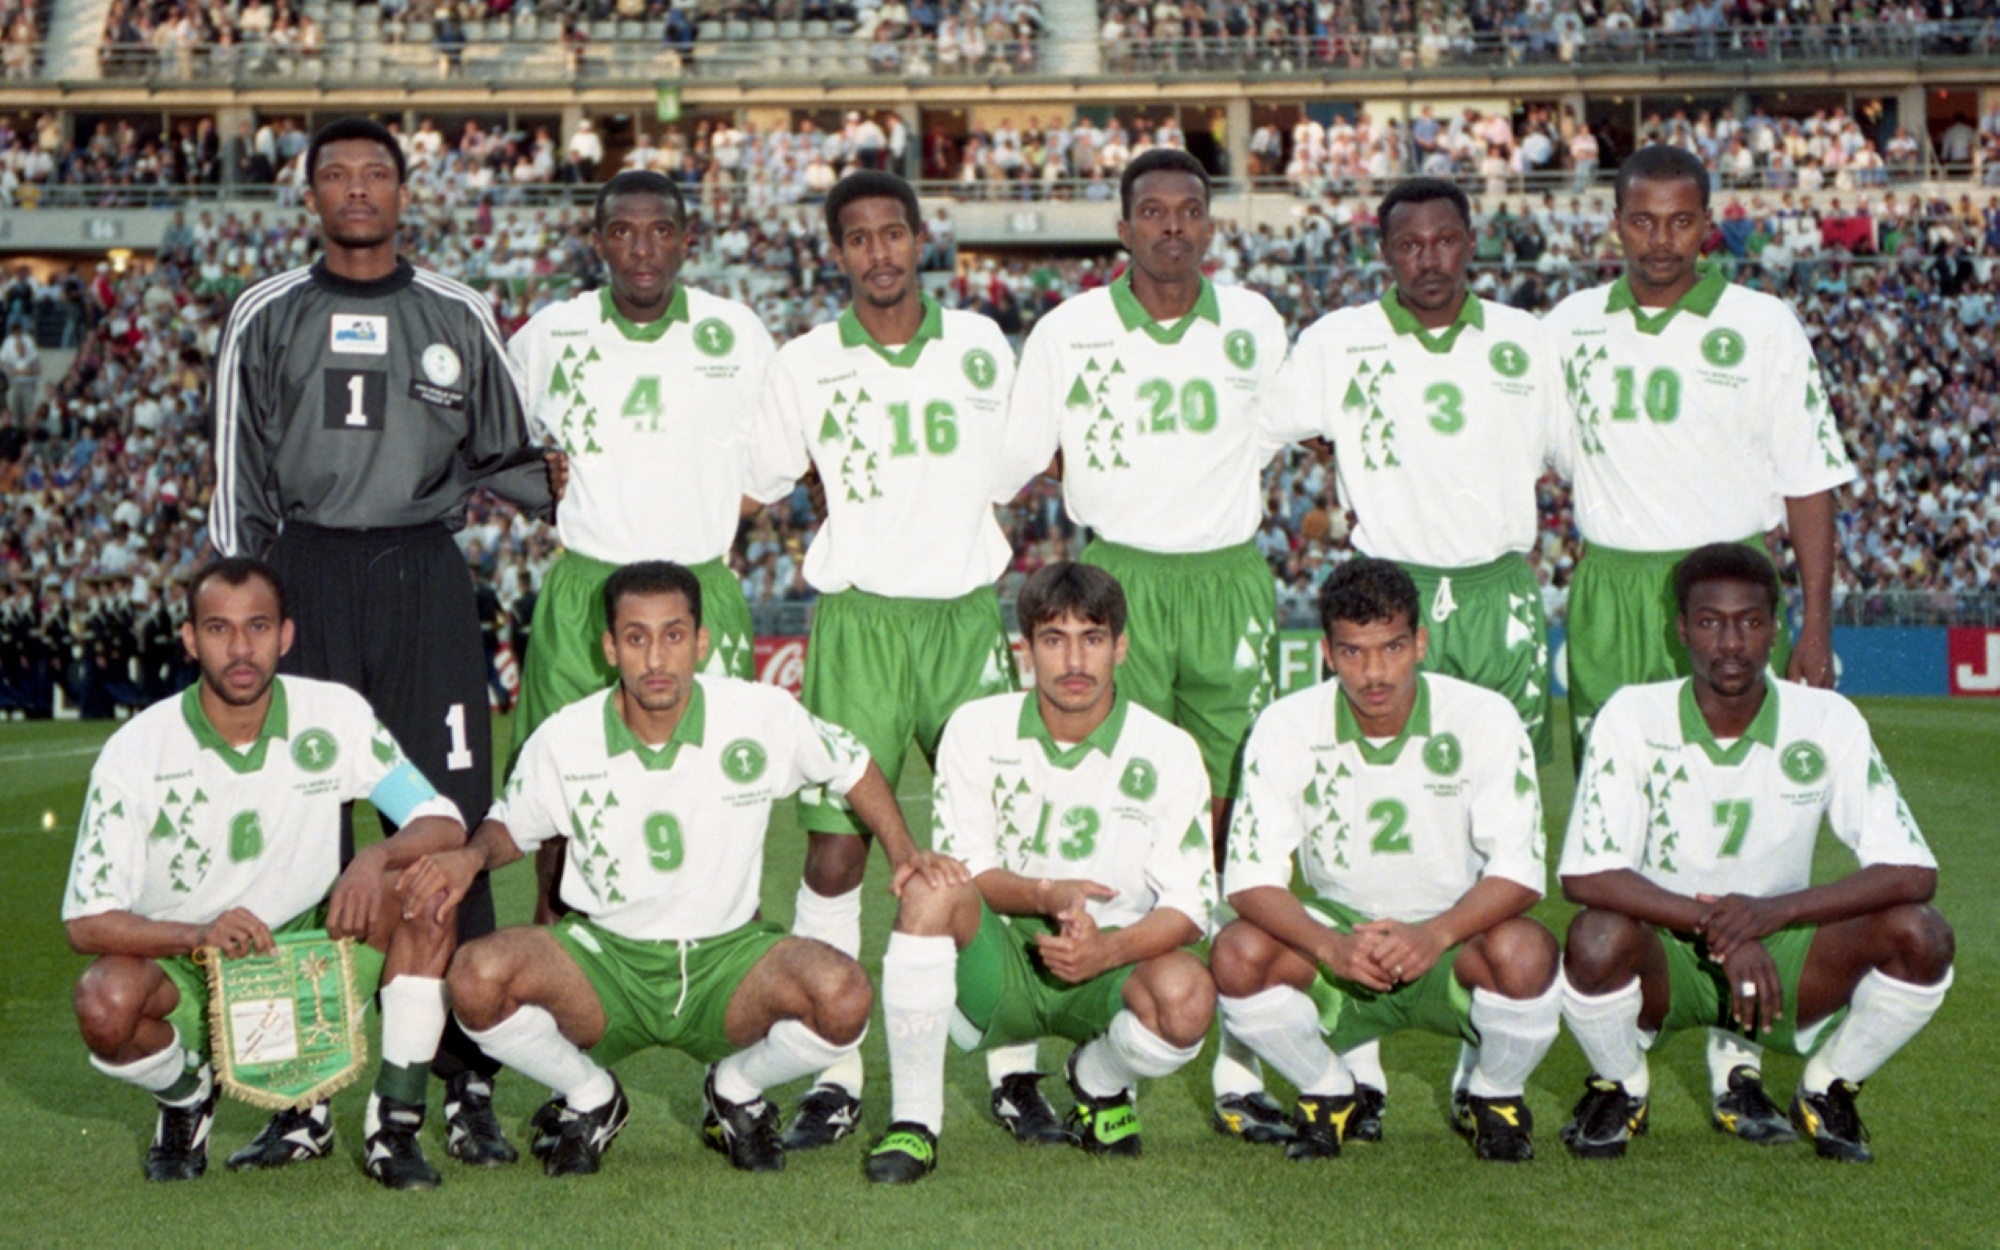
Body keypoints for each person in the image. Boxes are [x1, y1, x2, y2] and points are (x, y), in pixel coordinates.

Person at [211, 116, 559, 1166]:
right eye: (336, 176)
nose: (357, 190)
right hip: (306, 573)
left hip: (422, 574)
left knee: (451, 827)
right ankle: (298, 1090)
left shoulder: (453, 310)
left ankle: (464, 1077)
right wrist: (254, 617)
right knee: (298, 835)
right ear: (309, 194)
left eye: (376, 175)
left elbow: (515, 453)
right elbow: (235, 484)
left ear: (404, 194)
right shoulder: (263, 314)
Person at [401, 561, 965, 1176]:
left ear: (700, 642)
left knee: (845, 996)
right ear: (611, 647)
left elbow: (852, 765)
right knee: (476, 978)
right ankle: (591, 1097)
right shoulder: (566, 737)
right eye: (637, 638)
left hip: (728, 963)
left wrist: (904, 850)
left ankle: (736, 1087)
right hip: (606, 964)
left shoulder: (759, 714)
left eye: (673, 635)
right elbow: (512, 824)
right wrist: (471, 855)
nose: (656, 658)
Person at [1542, 143, 1857, 1120]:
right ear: (1615, 223)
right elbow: (1528, 455)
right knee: (1617, 817)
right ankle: (1623, 1034)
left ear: (1706, 222)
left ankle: (1735, 1052)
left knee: (1744, 804)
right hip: (1612, 587)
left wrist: (1812, 622)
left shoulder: (1762, 325)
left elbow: (1807, 477)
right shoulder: (1567, 327)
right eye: (1641, 220)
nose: (1660, 241)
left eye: (1680, 221)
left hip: (1726, 588)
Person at [1250, 176, 1566, 1143]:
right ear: (1385, 253)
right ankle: (1360, 1054)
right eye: (1409, 245)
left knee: (1484, 800)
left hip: (1497, 586)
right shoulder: (1338, 340)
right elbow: (1281, 427)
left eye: (1445, 241)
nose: (1428, 258)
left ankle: (1481, 1062)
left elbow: (1558, 454)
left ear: (1472, 243)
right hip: (1390, 582)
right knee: (1362, 790)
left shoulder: (1526, 340)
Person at [744, 170, 1041, 1147]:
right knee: (835, 848)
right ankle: (833, 1067)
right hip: (860, 621)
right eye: (857, 238)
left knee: (997, 843)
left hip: (962, 617)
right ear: (836, 253)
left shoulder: (976, 344)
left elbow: (1029, 457)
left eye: (891, 234)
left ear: (920, 239)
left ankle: (1011, 1065)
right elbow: (755, 485)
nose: (877, 252)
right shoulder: (805, 362)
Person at [1009, 145, 1295, 1143]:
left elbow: (1263, 438)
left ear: (1207, 225)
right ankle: (1113, 1028)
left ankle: (1233, 1060)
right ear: (1123, 226)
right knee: (1115, 809)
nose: (1171, 227)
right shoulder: (1069, 329)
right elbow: (1022, 449)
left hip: (1226, 575)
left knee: (1234, 824)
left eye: (1188, 211)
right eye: (1152, 212)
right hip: (1119, 574)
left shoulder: (1254, 322)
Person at [61, 558, 469, 1188]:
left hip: (308, 950)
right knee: (104, 1003)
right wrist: (196, 936)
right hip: (195, 964)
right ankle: (184, 1098)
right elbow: (87, 922)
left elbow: (441, 821)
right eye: (220, 630)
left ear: (285, 635)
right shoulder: (136, 751)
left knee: (428, 888)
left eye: (257, 627)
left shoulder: (333, 712)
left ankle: (394, 1124)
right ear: (192, 639)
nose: (241, 648)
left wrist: (374, 856)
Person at [1556, 544, 1953, 1163]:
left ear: (1775, 629)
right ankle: (1623, 1087)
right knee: (1595, 937)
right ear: (1682, 629)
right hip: (1668, 952)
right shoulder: (1633, 715)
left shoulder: (1827, 719)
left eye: (1749, 621)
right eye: (1711, 622)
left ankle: (1827, 1088)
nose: (1731, 642)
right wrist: (1720, 926)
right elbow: (1585, 874)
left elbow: (1913, 871)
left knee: (1922, 935)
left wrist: (1773, 914)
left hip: (1783, 954)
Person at [863, 563, 1217, 1183]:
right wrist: (1045, 894)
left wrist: (1106, 951)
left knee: (1188, 996)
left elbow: (1190, 910)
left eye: (1093, 638)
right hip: (1003, 964)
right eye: (1054, 640)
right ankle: (914, 1121)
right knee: (929, 886)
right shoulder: (976, 727)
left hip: (1112, 964)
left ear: (1121, 646)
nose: (1074, 660)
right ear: (1025, 649)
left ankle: (1098, 1079)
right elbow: (966, 870)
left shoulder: (1169, 750)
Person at [1212, 558, 1559, 1162]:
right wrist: (1329, 947)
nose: (1374, 672)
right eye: (1352, 652)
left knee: (1527, 950)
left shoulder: (1483, 718)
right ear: (1326, 652)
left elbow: (1521, 871)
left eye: (1393, 647)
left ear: (1421, 642)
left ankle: (1494, 1094)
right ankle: (1328, 1089)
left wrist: (1436, 933)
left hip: (1451, 937)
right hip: (1338, 939)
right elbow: (1248, 879)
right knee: (1238, 951)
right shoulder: (1287, 724)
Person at [507, 170, 776, 750]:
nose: (642, 249)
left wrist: (708, 508)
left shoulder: (735, 334)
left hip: (698, 584)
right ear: (599, 241)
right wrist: (536, 479)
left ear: (686, 240)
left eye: (659, 231)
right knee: (558, 791)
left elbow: (776, 460)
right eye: (623, 232)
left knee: (710, 786)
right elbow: (495, 444)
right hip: (586, 588)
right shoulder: (552, 334)